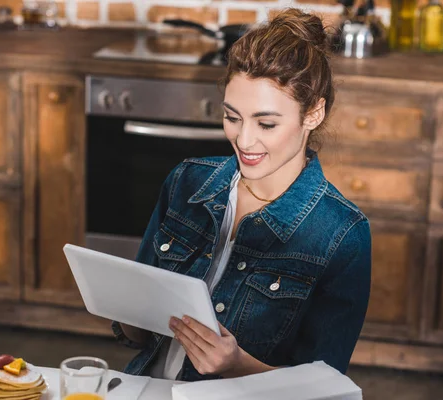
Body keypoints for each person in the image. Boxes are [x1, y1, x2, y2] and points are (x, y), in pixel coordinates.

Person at [111, 8, 372, 382]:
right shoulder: (187, 181)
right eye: (233, 117)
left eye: (266, 123)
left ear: (313, 113)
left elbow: (324, 387)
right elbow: (137, 332)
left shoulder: (342, 235)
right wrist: (125, 309)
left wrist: (237, 366)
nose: (244, 140)